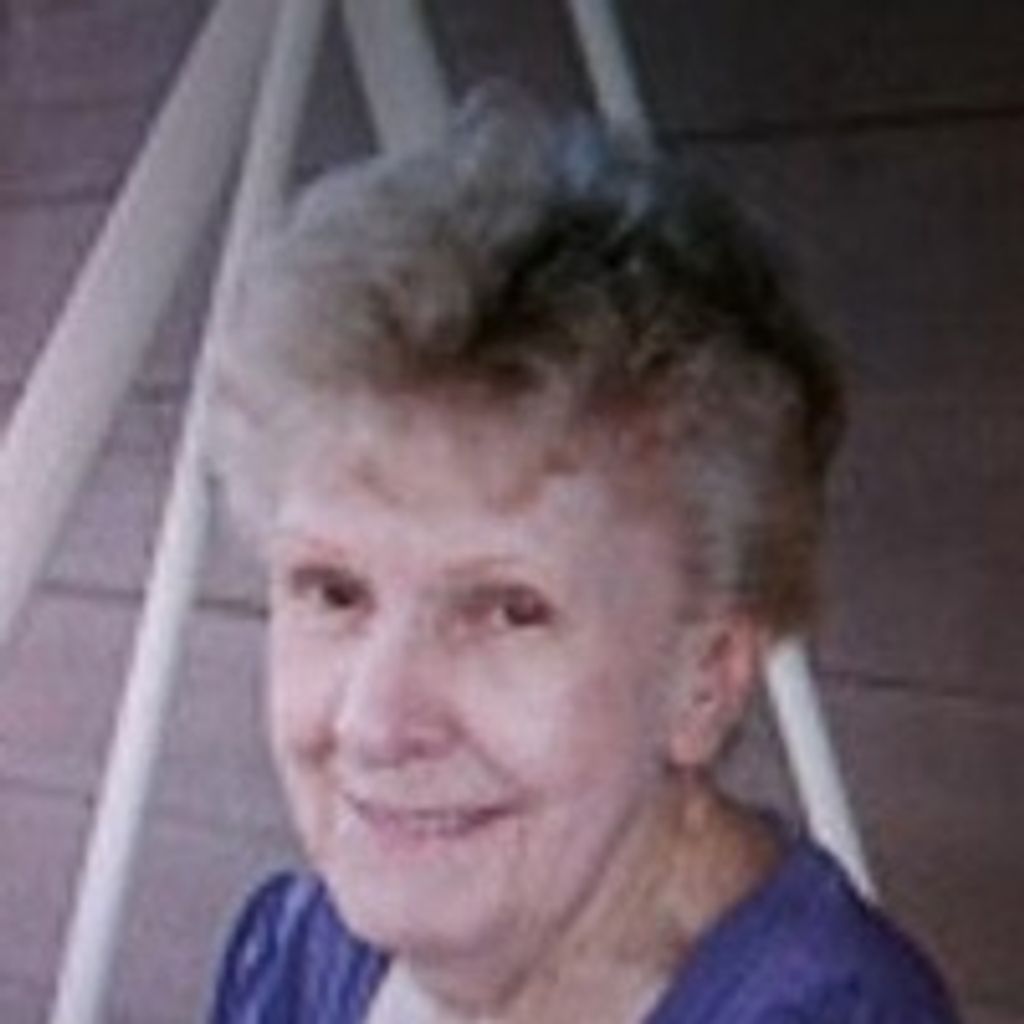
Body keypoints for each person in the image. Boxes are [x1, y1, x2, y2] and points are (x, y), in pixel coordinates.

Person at [206, 89, 959, 1023]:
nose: (376, 723)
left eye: (507, 610)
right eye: (333, 591)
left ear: (704, 679)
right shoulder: (296, 956)